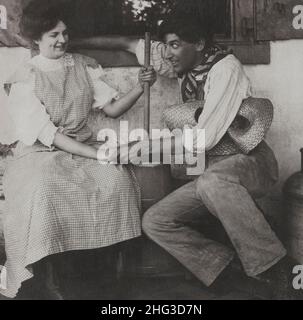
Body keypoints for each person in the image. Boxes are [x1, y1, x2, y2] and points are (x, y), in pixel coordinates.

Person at [71, 10, 301, 299]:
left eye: (176, 44)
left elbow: (203, 139)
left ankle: (274, 268)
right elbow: (129, 43)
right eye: (166, 44)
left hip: (251, 163)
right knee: (156, 221)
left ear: (200, 44)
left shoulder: (225, 69)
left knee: (212, 182)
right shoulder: (181, 60)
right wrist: (73, 39)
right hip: (213, 174)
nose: (167, 53)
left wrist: (143, 148)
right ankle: (228, 272)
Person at [0, 0, 156, 299]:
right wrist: (98, 154)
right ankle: (51, 275)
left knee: (117, 182)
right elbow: (51, 135)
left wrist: (140, 85)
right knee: (45, 190)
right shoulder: (25, 77)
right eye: (53, 35)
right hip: (40, 153)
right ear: (36, 39)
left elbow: (111, 109)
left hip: (82, 147)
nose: (62, 40)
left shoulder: (82, 65)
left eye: (64, 33)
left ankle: (103, 272)